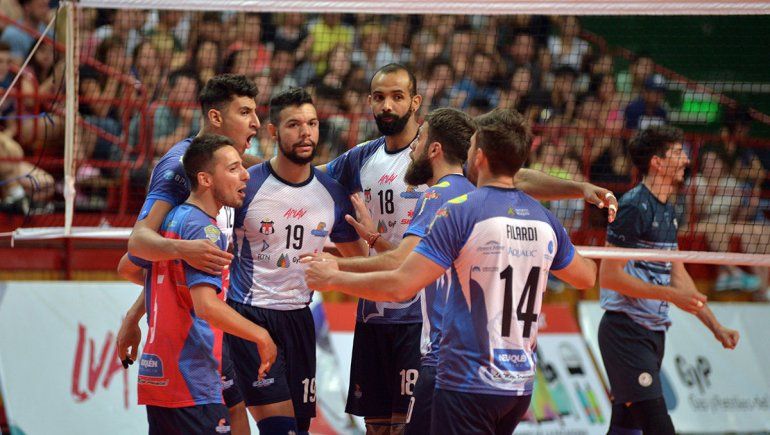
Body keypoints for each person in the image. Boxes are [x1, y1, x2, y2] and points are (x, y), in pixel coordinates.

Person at [322, 63, 617, 435]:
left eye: (397, 96)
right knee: (379, 426)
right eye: (379, 97)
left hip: (427, 327)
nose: (387, 105)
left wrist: (578, 188)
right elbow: (304, 177)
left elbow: (512, 176)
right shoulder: (361, 158)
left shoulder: (447, 172)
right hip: (383, 316)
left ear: (416, 103)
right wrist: (259, 171)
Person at [116, 73, 263, 435]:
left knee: (236, 409)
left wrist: (134, 315)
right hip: (189, 339)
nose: (256, 123)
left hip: (204, 330)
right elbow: (136, 249)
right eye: (245, 112)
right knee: (228, 411)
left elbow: (170, 269)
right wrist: (184, 250)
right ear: (216, 117)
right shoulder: (179, 170)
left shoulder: (224, 169)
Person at [225, 87, 366, 435]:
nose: (306, 133)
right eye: (294, 125)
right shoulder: (246, 187)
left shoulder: (332, 193)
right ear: (273, 131)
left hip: (301, 320)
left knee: (299, 430)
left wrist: (367, 244)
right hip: (252, 317)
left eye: (312, 124)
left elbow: (361, 262)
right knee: (280, 429)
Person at [598, 126, 740, 435]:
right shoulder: (633, 206)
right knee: (659, 428)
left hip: (653, 334)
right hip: (625, 332)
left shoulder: (668, 209)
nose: (686, 159)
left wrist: (715, 326)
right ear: (657, 163)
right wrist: (670, 295)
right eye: (677, 153)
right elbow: (609, 276)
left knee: (625, 428)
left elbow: (679, 275)